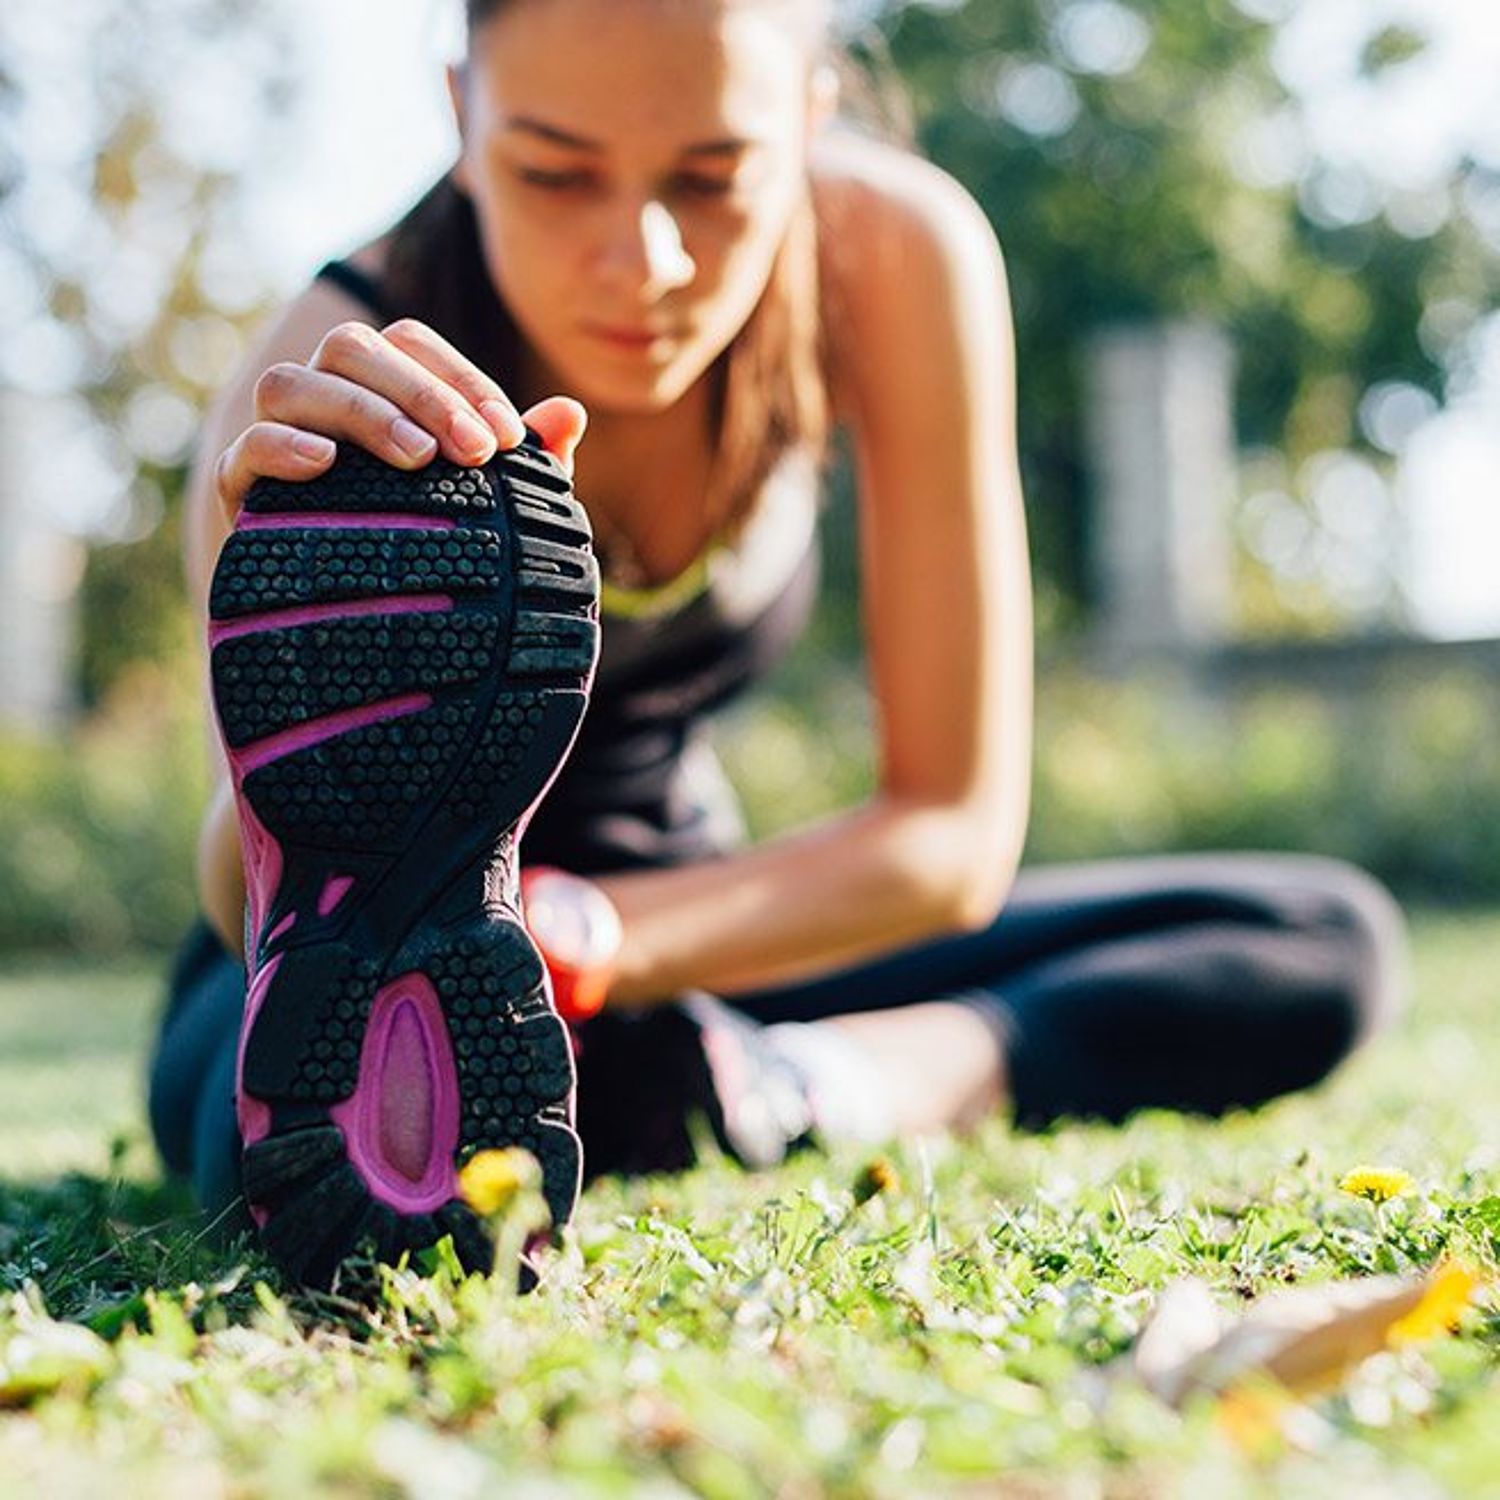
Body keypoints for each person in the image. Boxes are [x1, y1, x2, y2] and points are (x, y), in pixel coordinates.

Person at [150, 0, 1405, 1282]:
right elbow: (232, 887)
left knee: (1312, 937)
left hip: (689, 925)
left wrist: (598, 938)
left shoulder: (895, 253)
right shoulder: (330, 371)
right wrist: (286, 698)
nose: (642, 260)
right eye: (553, 170)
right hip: (341, 959)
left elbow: (950, 837)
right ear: (462, 114)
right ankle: (615, 1087)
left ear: (809, 117)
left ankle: (784, 1089)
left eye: (713, 177)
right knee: (286, 1150)